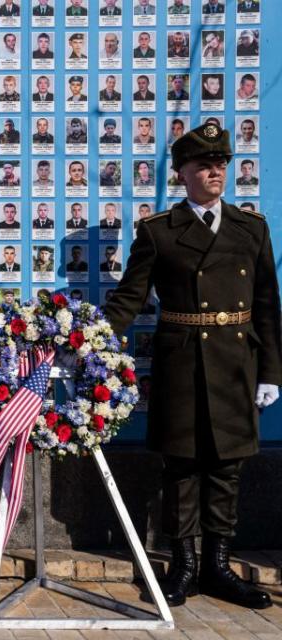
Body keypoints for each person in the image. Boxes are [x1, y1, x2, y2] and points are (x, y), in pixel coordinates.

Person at [104, 124, 282, 610]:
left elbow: (267, 303)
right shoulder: (160, 230)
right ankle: (182, 566)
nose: (214, 172)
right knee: (181, 466)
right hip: (181, 360)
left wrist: (271, 371)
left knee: (226, 466)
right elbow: (129, 298)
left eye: (221, 164)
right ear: (182, 173)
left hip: (234, 363)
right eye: (203, 165)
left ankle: (218, 566)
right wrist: (90, 341)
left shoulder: (252, 228)